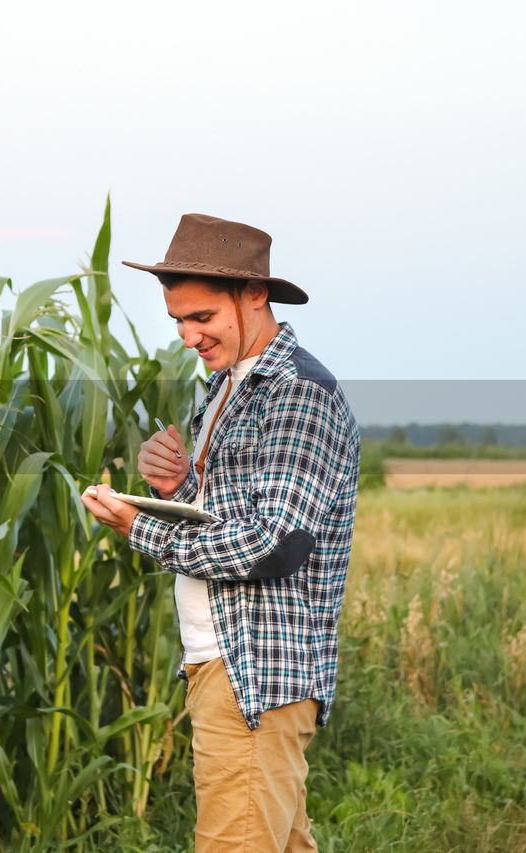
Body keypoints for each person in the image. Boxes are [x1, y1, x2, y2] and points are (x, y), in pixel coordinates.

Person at [81, 213, 360, 852]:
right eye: (178, 320)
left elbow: (277, 542)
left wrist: (141, 530)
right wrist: (175, 491)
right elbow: (235, 517)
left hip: (253, 671)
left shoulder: (293, 393)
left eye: (202, 318)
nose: (187, 336)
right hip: (228, 663)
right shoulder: (227, 388)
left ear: (254, 295)